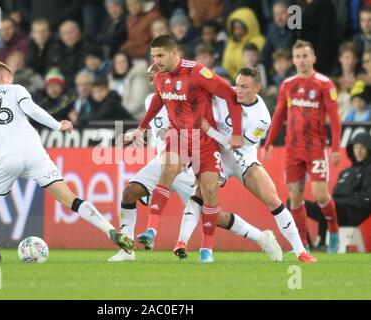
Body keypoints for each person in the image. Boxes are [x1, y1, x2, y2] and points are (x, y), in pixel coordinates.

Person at [0, 62, 135, 262]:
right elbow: (32, 110)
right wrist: (58, 125)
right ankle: (111, 231)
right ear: (3, 77)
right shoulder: (16, 90)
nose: (13, 79)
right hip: (35, 152)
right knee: (70, 199)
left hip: (6, 157)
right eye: (11, 75)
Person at [178, 67, 315, 263]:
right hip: (217, 154)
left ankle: (301, 251)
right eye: (237, 85)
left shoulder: (261, 118)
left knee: (272, 199)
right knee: (200, 194)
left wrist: (209, 130)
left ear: (257, 88)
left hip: (243, 157)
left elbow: (237, 144)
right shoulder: (225, 94)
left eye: (244, 87)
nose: (238, 90)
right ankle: (187, 244)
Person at [128, 35, 244, 262]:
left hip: (204, 140)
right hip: (178, 136)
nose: (157, 61)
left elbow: (230, 95)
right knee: (168, 169)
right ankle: (151, 230)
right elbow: (158, 101)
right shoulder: (160, 77)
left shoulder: (197, 72)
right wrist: (142, 127)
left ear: (174, 53)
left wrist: (237, 132)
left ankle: (206, 249)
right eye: (153, 56)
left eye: (160, 55)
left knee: (209, 190)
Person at [108, 63, 196, 262]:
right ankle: (127, 249)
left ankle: (259, 236)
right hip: (161, 161)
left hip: (185, 166)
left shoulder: (183, 97)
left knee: (215, 216)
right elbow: (157, 127)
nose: (153, 82)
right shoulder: (151, 101)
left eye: (156, 77)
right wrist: (137, 132)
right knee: (129, 192)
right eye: (150, 79)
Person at [263, 40, 342, 254]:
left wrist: (335, 147)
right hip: (292, 150)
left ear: (313, 58)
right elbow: (278, 116)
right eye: (297, 56)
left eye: (305, 56)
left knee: (320, 195)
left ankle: (334, 230)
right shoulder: (288, 85)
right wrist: (269, 142)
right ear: (293, 60)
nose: (301, 60)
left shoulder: (324, 84)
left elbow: (335, 119)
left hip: (316, 148)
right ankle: (303, 246)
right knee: (295, 197)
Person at [305, 132, 371, 249]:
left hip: (351, 214)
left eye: (362, 147)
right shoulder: (345, 172)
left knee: (327, 205)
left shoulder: (369, 170)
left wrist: (337, 202)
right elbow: (334, 195)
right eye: (356, 147)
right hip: (335, 209)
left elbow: (366, 200)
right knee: (295, 204)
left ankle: (322, 244)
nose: (358, 151)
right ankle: (306, 244)